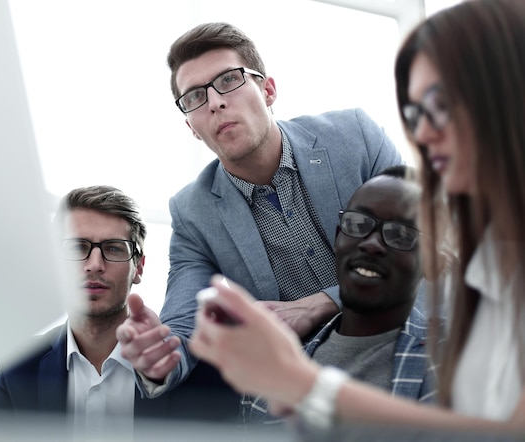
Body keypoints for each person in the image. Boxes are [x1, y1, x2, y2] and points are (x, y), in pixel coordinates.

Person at [188, 0, 525, 438]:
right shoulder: (487, 270)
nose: (422, 132)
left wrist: (304, 385)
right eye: (414, 113)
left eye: (441, 102)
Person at [116, 21, 405, 421]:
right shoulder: (192, 212)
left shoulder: (354, 137)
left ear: (268, 90)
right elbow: (182, 318)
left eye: (229, 81)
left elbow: (424, 242)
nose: (215, 102)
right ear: (192, 128)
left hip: (401, 331)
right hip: (308, 381)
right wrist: (159, 354)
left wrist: (322, 303)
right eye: (195, 97)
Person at [243, 165, 436, 425]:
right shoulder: (273, 366)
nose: (371, 243)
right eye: (357, 224)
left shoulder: (455, 359)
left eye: (400, 235)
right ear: (338, 239)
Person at [0, 185, 164, 441]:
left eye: (113, 248)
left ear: (139, 268)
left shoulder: (185, 365)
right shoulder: (18, 366)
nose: (95, 265)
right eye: (78, 247)